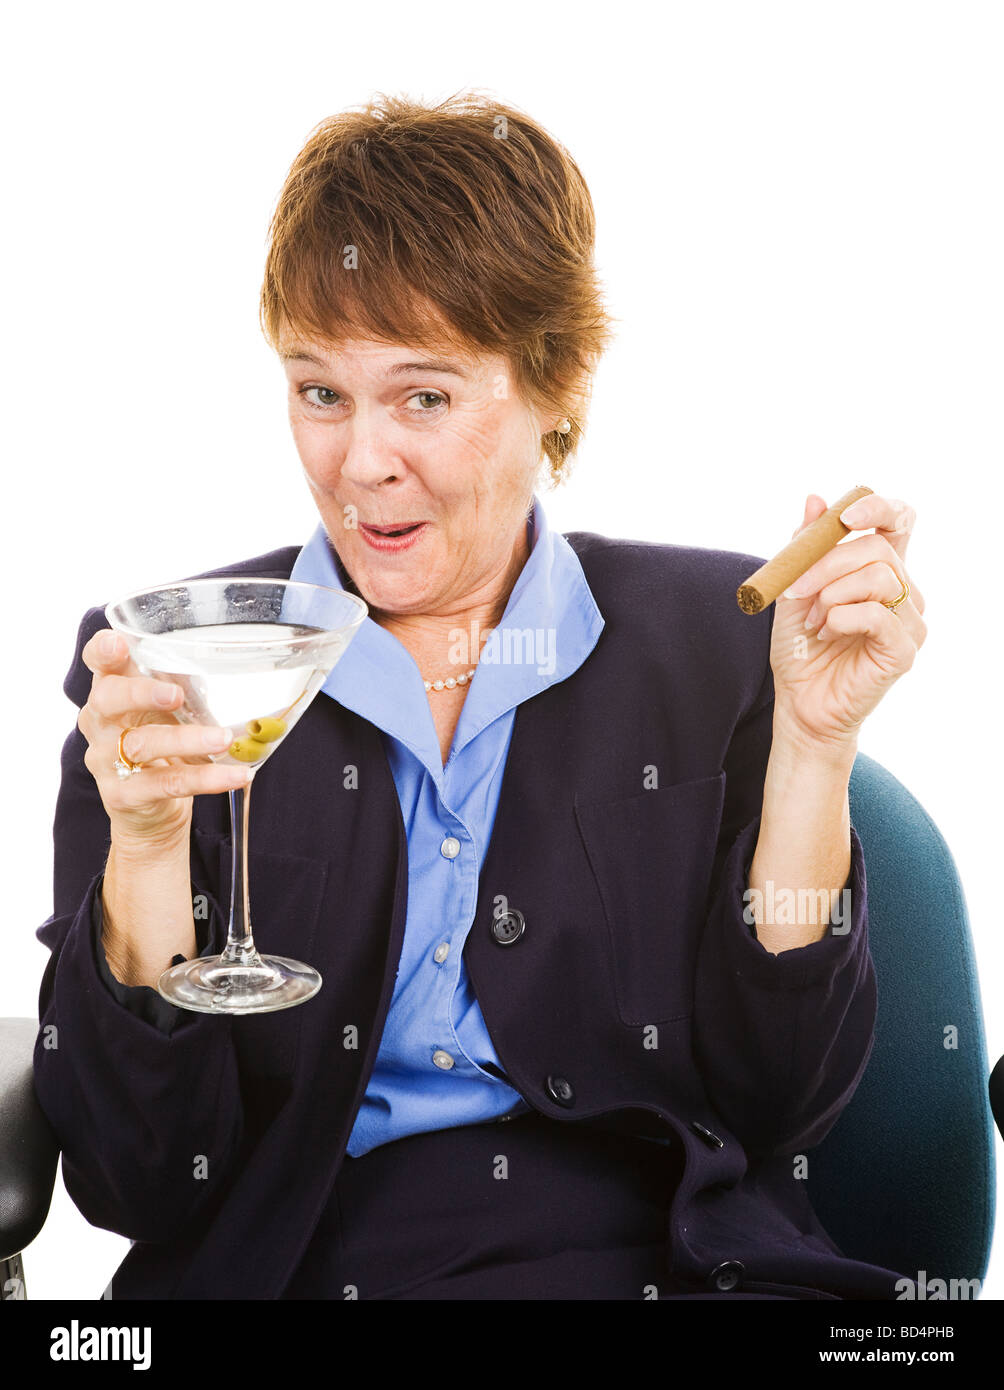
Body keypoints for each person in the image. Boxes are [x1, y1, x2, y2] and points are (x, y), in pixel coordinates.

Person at [33, 91, 927, 1300]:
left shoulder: (721, 645)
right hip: (309, 1266)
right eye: (319, 392)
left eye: (424, 396)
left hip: (672, 1259)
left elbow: (783, 1102)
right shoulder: (169, 665)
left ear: (554, 384)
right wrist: (144, 848)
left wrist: (814, 747)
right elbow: (139, 1182)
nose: (361, 463)